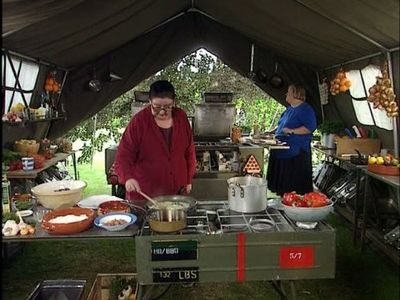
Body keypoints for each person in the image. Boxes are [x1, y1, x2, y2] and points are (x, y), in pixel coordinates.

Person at [114, 80, 196, 204]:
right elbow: (124, 155)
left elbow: (189, 151)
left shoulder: (181, 118)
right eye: (157, 107)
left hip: (176, 193)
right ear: (149, 102)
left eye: (168, 107)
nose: (162, 112)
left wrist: (188, 179)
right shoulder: (139, 122)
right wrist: (128, 178)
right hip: (145, 195)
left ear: (174, 102)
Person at [267, 83, 317, 196]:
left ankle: (294, 205)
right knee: (280, 186)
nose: (286, 94)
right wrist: (272, 132)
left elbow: (309, 128)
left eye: (288, 92)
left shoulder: (305, 109)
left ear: (296, 93)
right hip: (280, 150)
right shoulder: (289, 109)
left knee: (293, 186)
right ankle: (281, 200)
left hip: (295, 152)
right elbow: (282, 125)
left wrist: (292, 131)